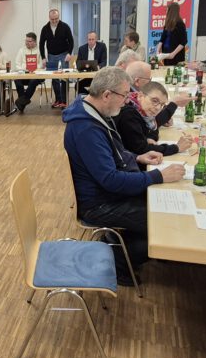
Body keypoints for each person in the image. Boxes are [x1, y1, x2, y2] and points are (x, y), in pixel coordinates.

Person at [63, 67, 186, 284]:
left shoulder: (94, 112)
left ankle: (116, 242)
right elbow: (111, 180)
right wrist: (158, 176)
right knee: (163, 221)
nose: (127, 101)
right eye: (124, 95)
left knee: (160, 206)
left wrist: (138, 158)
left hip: (107, 193)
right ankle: (118, 263)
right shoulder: (87, 129)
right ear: (106, 95)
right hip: (99, 204)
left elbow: (115, 152)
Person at [115, 81, 193, 156]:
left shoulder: (144, 112)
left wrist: (149, 137)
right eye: (155, 101)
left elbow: (154, 129)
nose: (158, 108)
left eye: (162, 104)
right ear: (140, 96)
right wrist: (176, 148)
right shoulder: (129, 114)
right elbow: (141, 149)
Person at [39, 9, 74, 109]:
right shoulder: (45, 28)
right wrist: (43, 57)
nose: (54, 21)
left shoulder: (65, 26)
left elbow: (71, 41)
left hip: (63, 54)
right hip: (51, 55)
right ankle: (58, 99)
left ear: (59, 17)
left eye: (56, 19)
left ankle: (64, 101)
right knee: (54, 79)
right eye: (52, 19)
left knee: (64, 78)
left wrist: (69, 53)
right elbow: (41, 44)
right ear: (49, 18)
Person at [69, 31, 107, 95]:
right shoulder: (82, 49)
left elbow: (104, 62)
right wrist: (80, 66)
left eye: (93, 39)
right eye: (89, 39)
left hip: (97, 76)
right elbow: (78, 62)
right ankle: (89, 97)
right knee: (77, 86)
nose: (91, 41)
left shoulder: (102, 47)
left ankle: (92, 97)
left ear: (96, 39)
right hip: (86, 75)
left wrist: (98, 66)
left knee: (99, 87)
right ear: (87, 40)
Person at [13, 32, 41, 112]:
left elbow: (42, 65)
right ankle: (22, 102)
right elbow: (17, 64)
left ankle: (21, 102)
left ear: (35, 42)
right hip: (24, 73)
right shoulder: (21, 50)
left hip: (36, 75)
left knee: (33, 81)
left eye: (29, 41)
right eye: (26, 41)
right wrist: (25, 69)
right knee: (17, 80)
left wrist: (34, 69)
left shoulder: (40, 50)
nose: (27, 43)